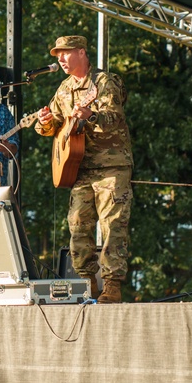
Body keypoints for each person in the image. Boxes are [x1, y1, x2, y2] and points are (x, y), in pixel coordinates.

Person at [34, 35, 133, 304]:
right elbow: (52, 125)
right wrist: (43, 122)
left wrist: (91, 116)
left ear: (81, 52)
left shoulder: (104, 82)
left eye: (65, 53)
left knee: (113, 225)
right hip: (78, 168)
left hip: (111, 165)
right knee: (78, 225)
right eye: (57, 56)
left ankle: (112, 285)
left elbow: (114, 120)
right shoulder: (64, 89)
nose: (61, 59)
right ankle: (87, 283)